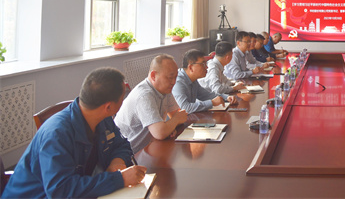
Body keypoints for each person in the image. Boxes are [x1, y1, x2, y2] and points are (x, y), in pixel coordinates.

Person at [3, 68, 147, 198]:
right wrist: (119, 179)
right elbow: (60, 191)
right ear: (108, 107)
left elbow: (121, 144)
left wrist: (118, 161)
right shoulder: (57, 134)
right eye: (123, 97)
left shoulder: (102, 117)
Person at [115, 55, 188, 154]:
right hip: (131, 154)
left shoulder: (165, 89)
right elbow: (160, 132)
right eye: (170, 77)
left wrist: (171, 126)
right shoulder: (144, 96)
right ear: (153, 75)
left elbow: (178, 115)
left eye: (176, 77)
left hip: (150, 146)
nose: (173, 82)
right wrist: (173, 122)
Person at [172, 49, 236, 113]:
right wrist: (212, 103)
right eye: (203, 64)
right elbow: (185, 108)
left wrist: (226, 97)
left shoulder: (193, 80)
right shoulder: (178, 81)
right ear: (191, 67)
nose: (206, 67)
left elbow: (207, 95)